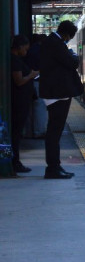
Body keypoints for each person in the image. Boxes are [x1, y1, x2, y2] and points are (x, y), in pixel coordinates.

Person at [39, 20, 83, 179]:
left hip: (54, 93)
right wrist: (73, 56)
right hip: (57, 94)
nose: (68, 40)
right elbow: (72, 62)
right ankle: (52, 168)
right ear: (66, 34)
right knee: (54, 133)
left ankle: (55, 166)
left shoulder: (51, 42)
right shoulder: (55, 44)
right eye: (69, 37)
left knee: (54, 132)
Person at [9, 35, 38, 174]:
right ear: (19, 47)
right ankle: (15, 162)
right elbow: (19, 81)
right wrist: (31, 75)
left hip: (21, 101)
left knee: (17, 133)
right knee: (16, 133)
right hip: (18, 103)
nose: (26, 52)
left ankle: (15, 161)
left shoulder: (17, 60)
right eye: (25, 49)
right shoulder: (15, 61)